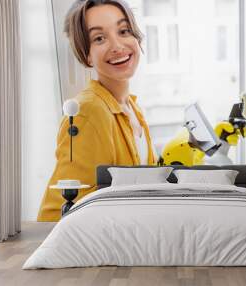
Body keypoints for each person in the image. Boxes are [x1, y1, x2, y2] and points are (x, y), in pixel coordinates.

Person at [37, 0, 157, 222]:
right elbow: (57, 210)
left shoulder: (133, 108)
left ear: (136, 37)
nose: (117, 45)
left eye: (124, 31)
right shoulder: (88, 111)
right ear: (87, 55)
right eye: (99, 38)